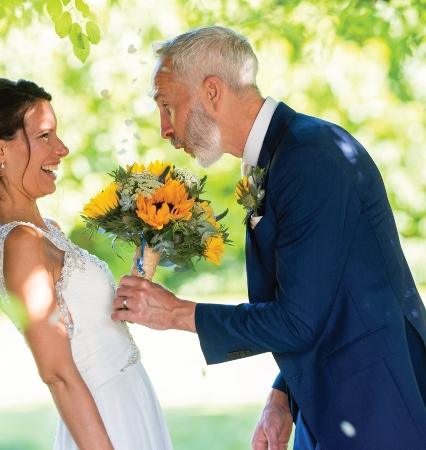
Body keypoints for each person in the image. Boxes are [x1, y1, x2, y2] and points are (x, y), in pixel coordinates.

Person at [112, 26, 426, 449]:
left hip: (376, 410)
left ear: (212, 92)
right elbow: (317, 301)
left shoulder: (310, 157)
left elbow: (298, 321)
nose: (164, 128)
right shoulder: (279, 157)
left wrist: (175, 313)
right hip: (324, 403)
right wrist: (283, 395)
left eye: (167, 106)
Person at [0, 78, 172, 450]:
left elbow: (89, 327)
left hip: (128, 398)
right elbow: (57, 373)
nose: (62, 148)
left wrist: (148, 255)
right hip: (103, 418)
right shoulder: (20, 242)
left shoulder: (46, 231)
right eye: (44, 136)